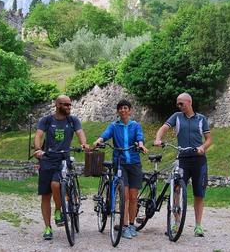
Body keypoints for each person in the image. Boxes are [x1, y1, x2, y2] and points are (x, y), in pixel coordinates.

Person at [153, 92, 212, 237]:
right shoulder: (176, 117)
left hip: (199, 160)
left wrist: (203, 148)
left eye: (181, 103)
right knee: (177, 191)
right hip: (183, 160)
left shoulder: (201, 119)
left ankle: (198, 226)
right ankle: (176, 223)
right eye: (177, 104)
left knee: (199, 194)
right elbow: (164, 128)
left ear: (189, 102)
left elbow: (209, 139)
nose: (179, 106)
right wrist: (158, 138)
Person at [34, 95, 89, 240]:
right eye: (66, 105)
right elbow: (38, 135)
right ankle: (47, 227)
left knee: (56, 184)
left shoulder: (73, 120)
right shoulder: (46, 120)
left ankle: (59, 210)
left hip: (63, 160)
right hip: (47, 159)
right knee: (45, 196)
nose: (69, 107)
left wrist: (84, 143)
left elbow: (80, 133)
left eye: (70, 105)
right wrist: (38, 149)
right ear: (57, 105)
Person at [93, 99, 148, 239]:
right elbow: (105, 134)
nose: (123, 110)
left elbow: (139, 137)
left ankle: (131, 224)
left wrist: (140, 144)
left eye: (125, 108)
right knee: (124, 195)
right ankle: (123, 227)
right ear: (118, 111)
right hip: (120, 163)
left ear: (129, 110)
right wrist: (99, 140)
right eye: (120, 108)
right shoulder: (114, 126)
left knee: (133, 197)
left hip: (134, 163)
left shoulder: (135, 125)